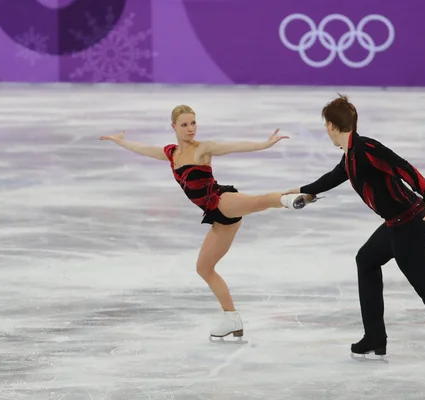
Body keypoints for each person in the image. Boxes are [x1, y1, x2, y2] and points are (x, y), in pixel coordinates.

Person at [99, 104, 315, 341]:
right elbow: (143, 149)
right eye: (184, 124)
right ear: (173, 127)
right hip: (218, 218)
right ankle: (231, 318)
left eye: (193, 123)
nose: (190, 129)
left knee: (257, 202)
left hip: (221, 200)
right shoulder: (171, 153)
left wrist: (264, 144)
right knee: (204, 268)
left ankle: (291, 198)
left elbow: (232, 147)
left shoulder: (202, 149)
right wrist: (120, 141)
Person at [285, 95, 425, 358]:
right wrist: (303, 191)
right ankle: (374, 336)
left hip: (412, 225)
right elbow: (333, 177)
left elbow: (404, 168)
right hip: (396, 225)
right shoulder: (350, 154)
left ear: (331, 127)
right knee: (366, 259)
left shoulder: (367, 150)